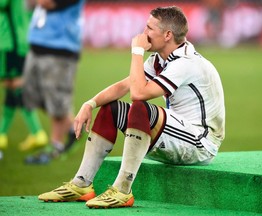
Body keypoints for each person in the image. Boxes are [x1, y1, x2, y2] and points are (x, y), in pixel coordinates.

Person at [38, 6, 225, 208]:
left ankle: (122, 190)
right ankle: (81, 184)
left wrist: (137, 52)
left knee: (140, 107)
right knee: (110, 108)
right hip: (178, 135)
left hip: (201, 144)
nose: (143, 34)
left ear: (168, 34)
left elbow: (138, 94)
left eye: (149, 28)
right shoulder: (159, 60)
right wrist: (89, 104)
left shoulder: (186, 62)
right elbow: (124, 86)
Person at [22, 0, 85, 163]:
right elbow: (28, 4)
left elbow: (47, 2)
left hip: (60, 49)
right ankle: (74, 126)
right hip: (36, 45)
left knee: (56, 101)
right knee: (33, 96)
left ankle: (55, 145)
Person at [0, 0, 48, 157]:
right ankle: (3, 134)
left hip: (10, 42)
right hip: (19, 39)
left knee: (15, 85)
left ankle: (37, 132)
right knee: (11, 86)